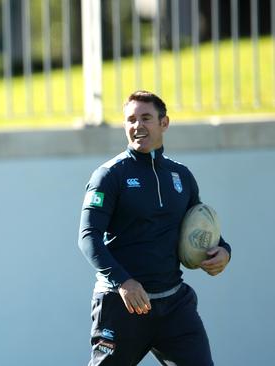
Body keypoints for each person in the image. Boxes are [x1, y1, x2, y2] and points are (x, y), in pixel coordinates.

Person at [77, 91, 231, 365]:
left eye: (146, 118)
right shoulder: (110, 176)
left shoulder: (181, 176)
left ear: (164, 123)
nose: (138, 126)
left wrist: (223, 250)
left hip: (174, 306)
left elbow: (200, 225)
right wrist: (122, 281)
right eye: (131, 119)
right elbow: (88, 237)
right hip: (122, 305)